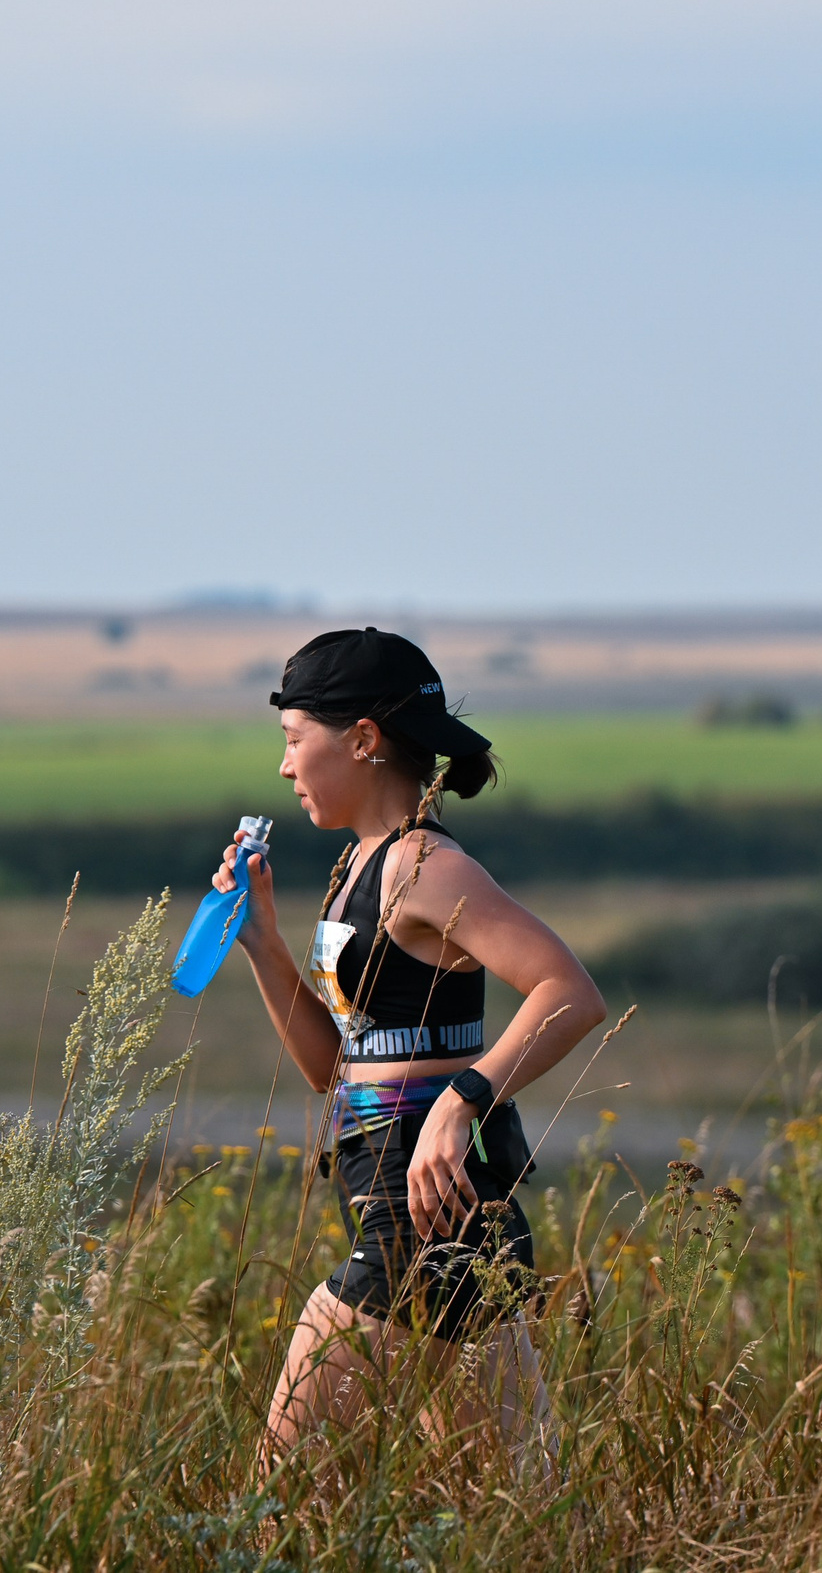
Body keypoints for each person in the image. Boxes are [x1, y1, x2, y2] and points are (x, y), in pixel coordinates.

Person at [208, 627, 607, 1465]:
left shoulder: (425, 866)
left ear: (361, 738)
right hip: (452, 1221)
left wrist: (465, 1099)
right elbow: (332, 1066)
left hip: (413, 1220)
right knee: (510, 1520)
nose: (284, 767)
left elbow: (569, 992)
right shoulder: (358, 863)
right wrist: (263, 942)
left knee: (279, 1502)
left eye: (293, 739)